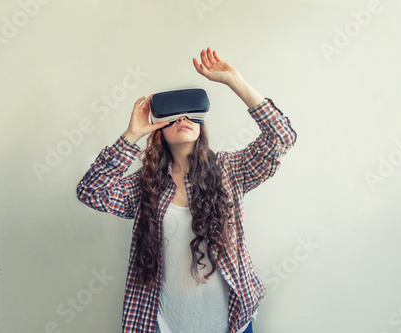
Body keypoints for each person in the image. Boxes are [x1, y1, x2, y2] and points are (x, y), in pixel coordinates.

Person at [76, 47, 297, 333]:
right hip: (163, 323)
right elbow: (91, 191)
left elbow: (281, 137)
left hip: (229, 322)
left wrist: (235, 81)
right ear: (159, 130)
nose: (183, 119)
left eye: (191, 114)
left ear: (201, 123)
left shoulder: (229, 170)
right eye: (174, 116)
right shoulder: (146, 184)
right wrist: (131, 135)